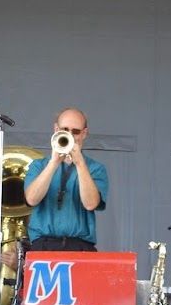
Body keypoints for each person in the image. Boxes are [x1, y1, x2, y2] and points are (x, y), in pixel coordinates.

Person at [24, 107, 109, 251]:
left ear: (84, 134)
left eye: (75, 132)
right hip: (43, 245)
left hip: (80, 246)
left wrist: (80, 163)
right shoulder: (38, 166)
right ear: (56, 130)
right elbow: (32, 199)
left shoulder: (96, 168)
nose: (69, 135)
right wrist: (54, 163)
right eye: (65, 129)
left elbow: (90, 204)